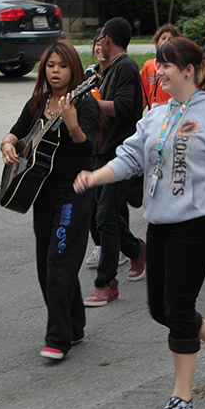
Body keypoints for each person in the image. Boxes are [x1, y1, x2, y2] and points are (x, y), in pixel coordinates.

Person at [74, 37, 205, 409]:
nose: (158, 71)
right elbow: (129, 158)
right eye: (158, 65)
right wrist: (95, 176)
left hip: (201, 224)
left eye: (165, 66)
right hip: (161, 222)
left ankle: (182, 395)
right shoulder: (156, 115)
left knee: (177, 307)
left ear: (188, 71)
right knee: (159, 308)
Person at [0, 40, 99, 359]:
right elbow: (15, 132)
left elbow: (89, 150)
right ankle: (75, 325)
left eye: (63, 66)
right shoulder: (38, 102)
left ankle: (58, 338)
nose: (56, 71)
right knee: (47, 265)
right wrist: (8, 144)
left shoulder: (85, 104)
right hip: (41, 192)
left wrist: (73, 126)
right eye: (51, 65)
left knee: (59, 264)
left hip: (74, 193)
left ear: (74, 70)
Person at [83, 17, 146, 308]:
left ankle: (106, 283)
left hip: (122, 155)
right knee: (102, 213)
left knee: (106, 215)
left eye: (100, 39)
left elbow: (122, 107)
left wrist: (87, 104)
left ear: (107, 38)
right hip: (99, 151)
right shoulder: (102, 71)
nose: (98, 44)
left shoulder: (126, 67)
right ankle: (135, 249)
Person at [83, 31, 128, 270]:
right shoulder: (91, 75)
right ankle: (102, 245)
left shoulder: (121, 69)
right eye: (96, 46)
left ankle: (122, 250)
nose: (100, 49)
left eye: (103, 45)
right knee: (96, 202)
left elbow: (123, 107)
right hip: (93, 144)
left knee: (111, 207)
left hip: (113, 146)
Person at [141, 24, 182, 110]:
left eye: (171, 39)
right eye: (163, 38)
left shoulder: (178, 67)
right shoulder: (148, 65)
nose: (166, 41)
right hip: (153, 115)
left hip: (172, 113)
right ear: (157, 42)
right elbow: (144, 95)